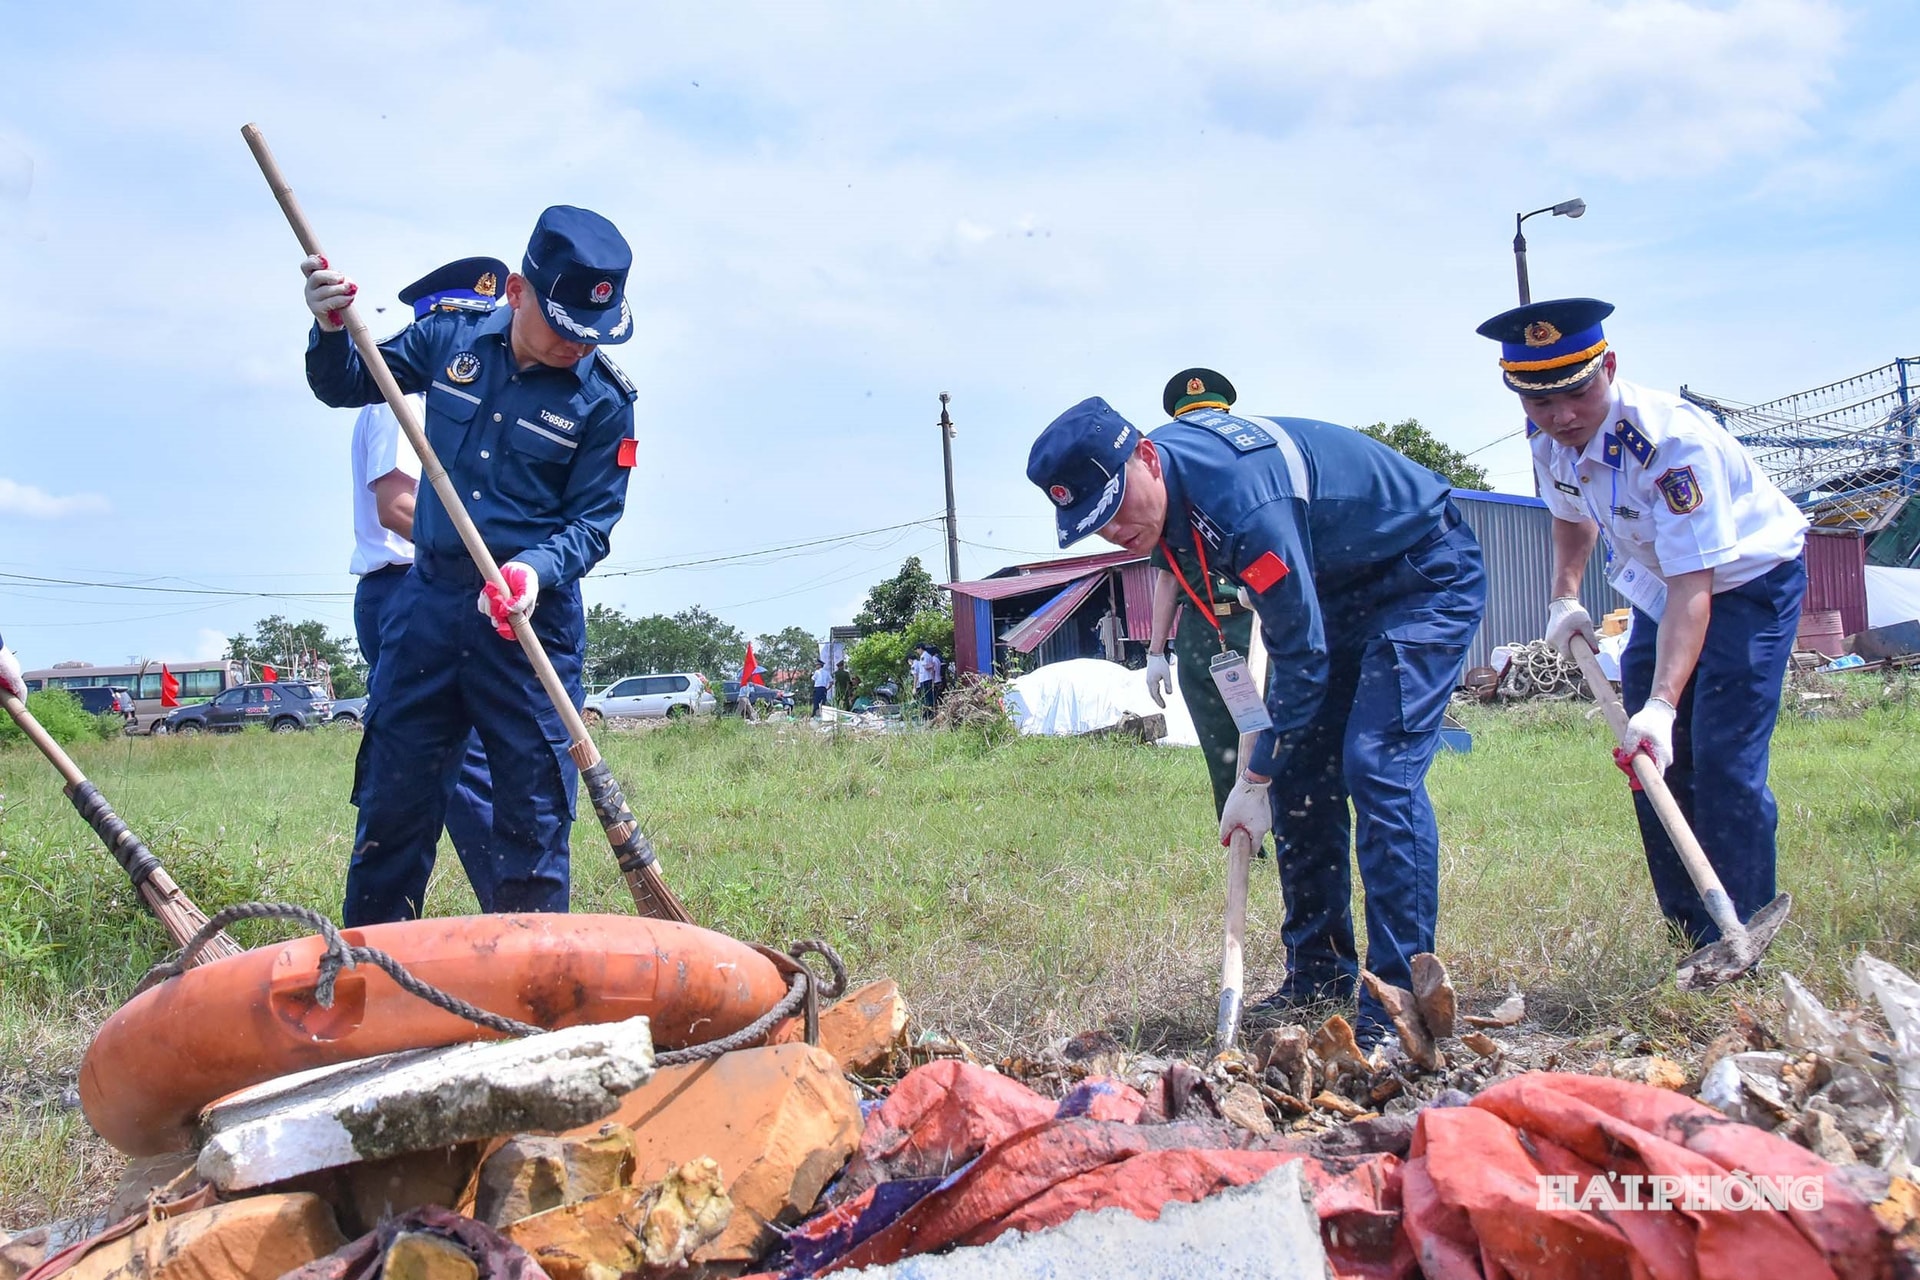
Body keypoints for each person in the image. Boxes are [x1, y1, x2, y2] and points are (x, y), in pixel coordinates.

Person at [1028, 394, 1486, 1043]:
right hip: (1338, 589)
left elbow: (1302, 660)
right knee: (1302, 770)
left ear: (1148, 458)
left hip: (1420, 574)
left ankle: (1399, 997)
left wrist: (1255, 778)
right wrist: (1271, 766)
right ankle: (1319, 969)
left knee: (1376, 764)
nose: (1116, 530)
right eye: (1096, 523)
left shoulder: (1240, 501)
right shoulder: (1163, 500)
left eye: (1117, 508)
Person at [302, 206, 640, 926]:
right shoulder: (450, 337)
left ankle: (533, 1003)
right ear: (518, 292)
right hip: (427, 607)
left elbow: (592, 524)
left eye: (593, 335)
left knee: (531, 816)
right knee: (395, 805)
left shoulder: (604, 403)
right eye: (566, 329)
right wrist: (332, 329)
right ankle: (371, 990)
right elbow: (347, 383)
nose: (577, 347)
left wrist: (534, 572)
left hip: (528, 626)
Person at [1476, 298, 1808, 949]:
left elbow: (1698, 584)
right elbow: (1571, 513)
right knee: (1650, 758)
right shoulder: (1547, 435)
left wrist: (1660, 701)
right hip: (1663, 586)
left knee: (1722, 763)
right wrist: (1562, 597)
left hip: (1745, 583)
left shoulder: (1671, 444)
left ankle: (1745, 932)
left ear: (1610, 367)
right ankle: (1693, 938)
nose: (1562, 415)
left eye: (1577, 393)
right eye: (1540, 402)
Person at [347, 257, 508, 910]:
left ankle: (520, 920)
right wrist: (483, 560)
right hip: (404, 596)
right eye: (471, 322)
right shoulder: (401, 394)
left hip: (450, 593)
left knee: (477, 766)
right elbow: (396, 504)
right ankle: (520, 923)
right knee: (441, 772)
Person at [1144, 369, 1258, 819]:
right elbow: (1167, 577)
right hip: (1199, 631)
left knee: (1274, 736)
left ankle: (1288, 827)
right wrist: (1155, 653)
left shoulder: (1250, 479)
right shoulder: (1169, 498)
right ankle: (1241, 838)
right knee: (1219, 746)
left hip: (1254, 623)